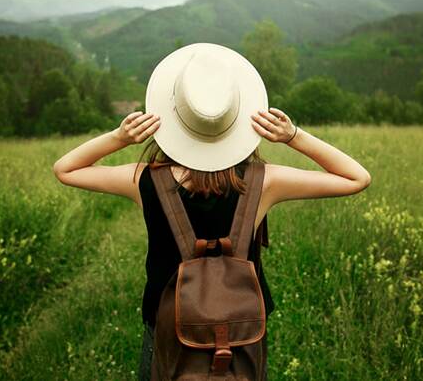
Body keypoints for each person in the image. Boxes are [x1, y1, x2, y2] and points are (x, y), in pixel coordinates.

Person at [52, 43, 371, 379]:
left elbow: (66, 169)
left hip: (166, 325)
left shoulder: (143, 180)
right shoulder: (265, 182)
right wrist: (292, 136)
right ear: (236, 121)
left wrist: (119, 137)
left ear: (174, 120)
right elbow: (356, 178)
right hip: (240, 332)